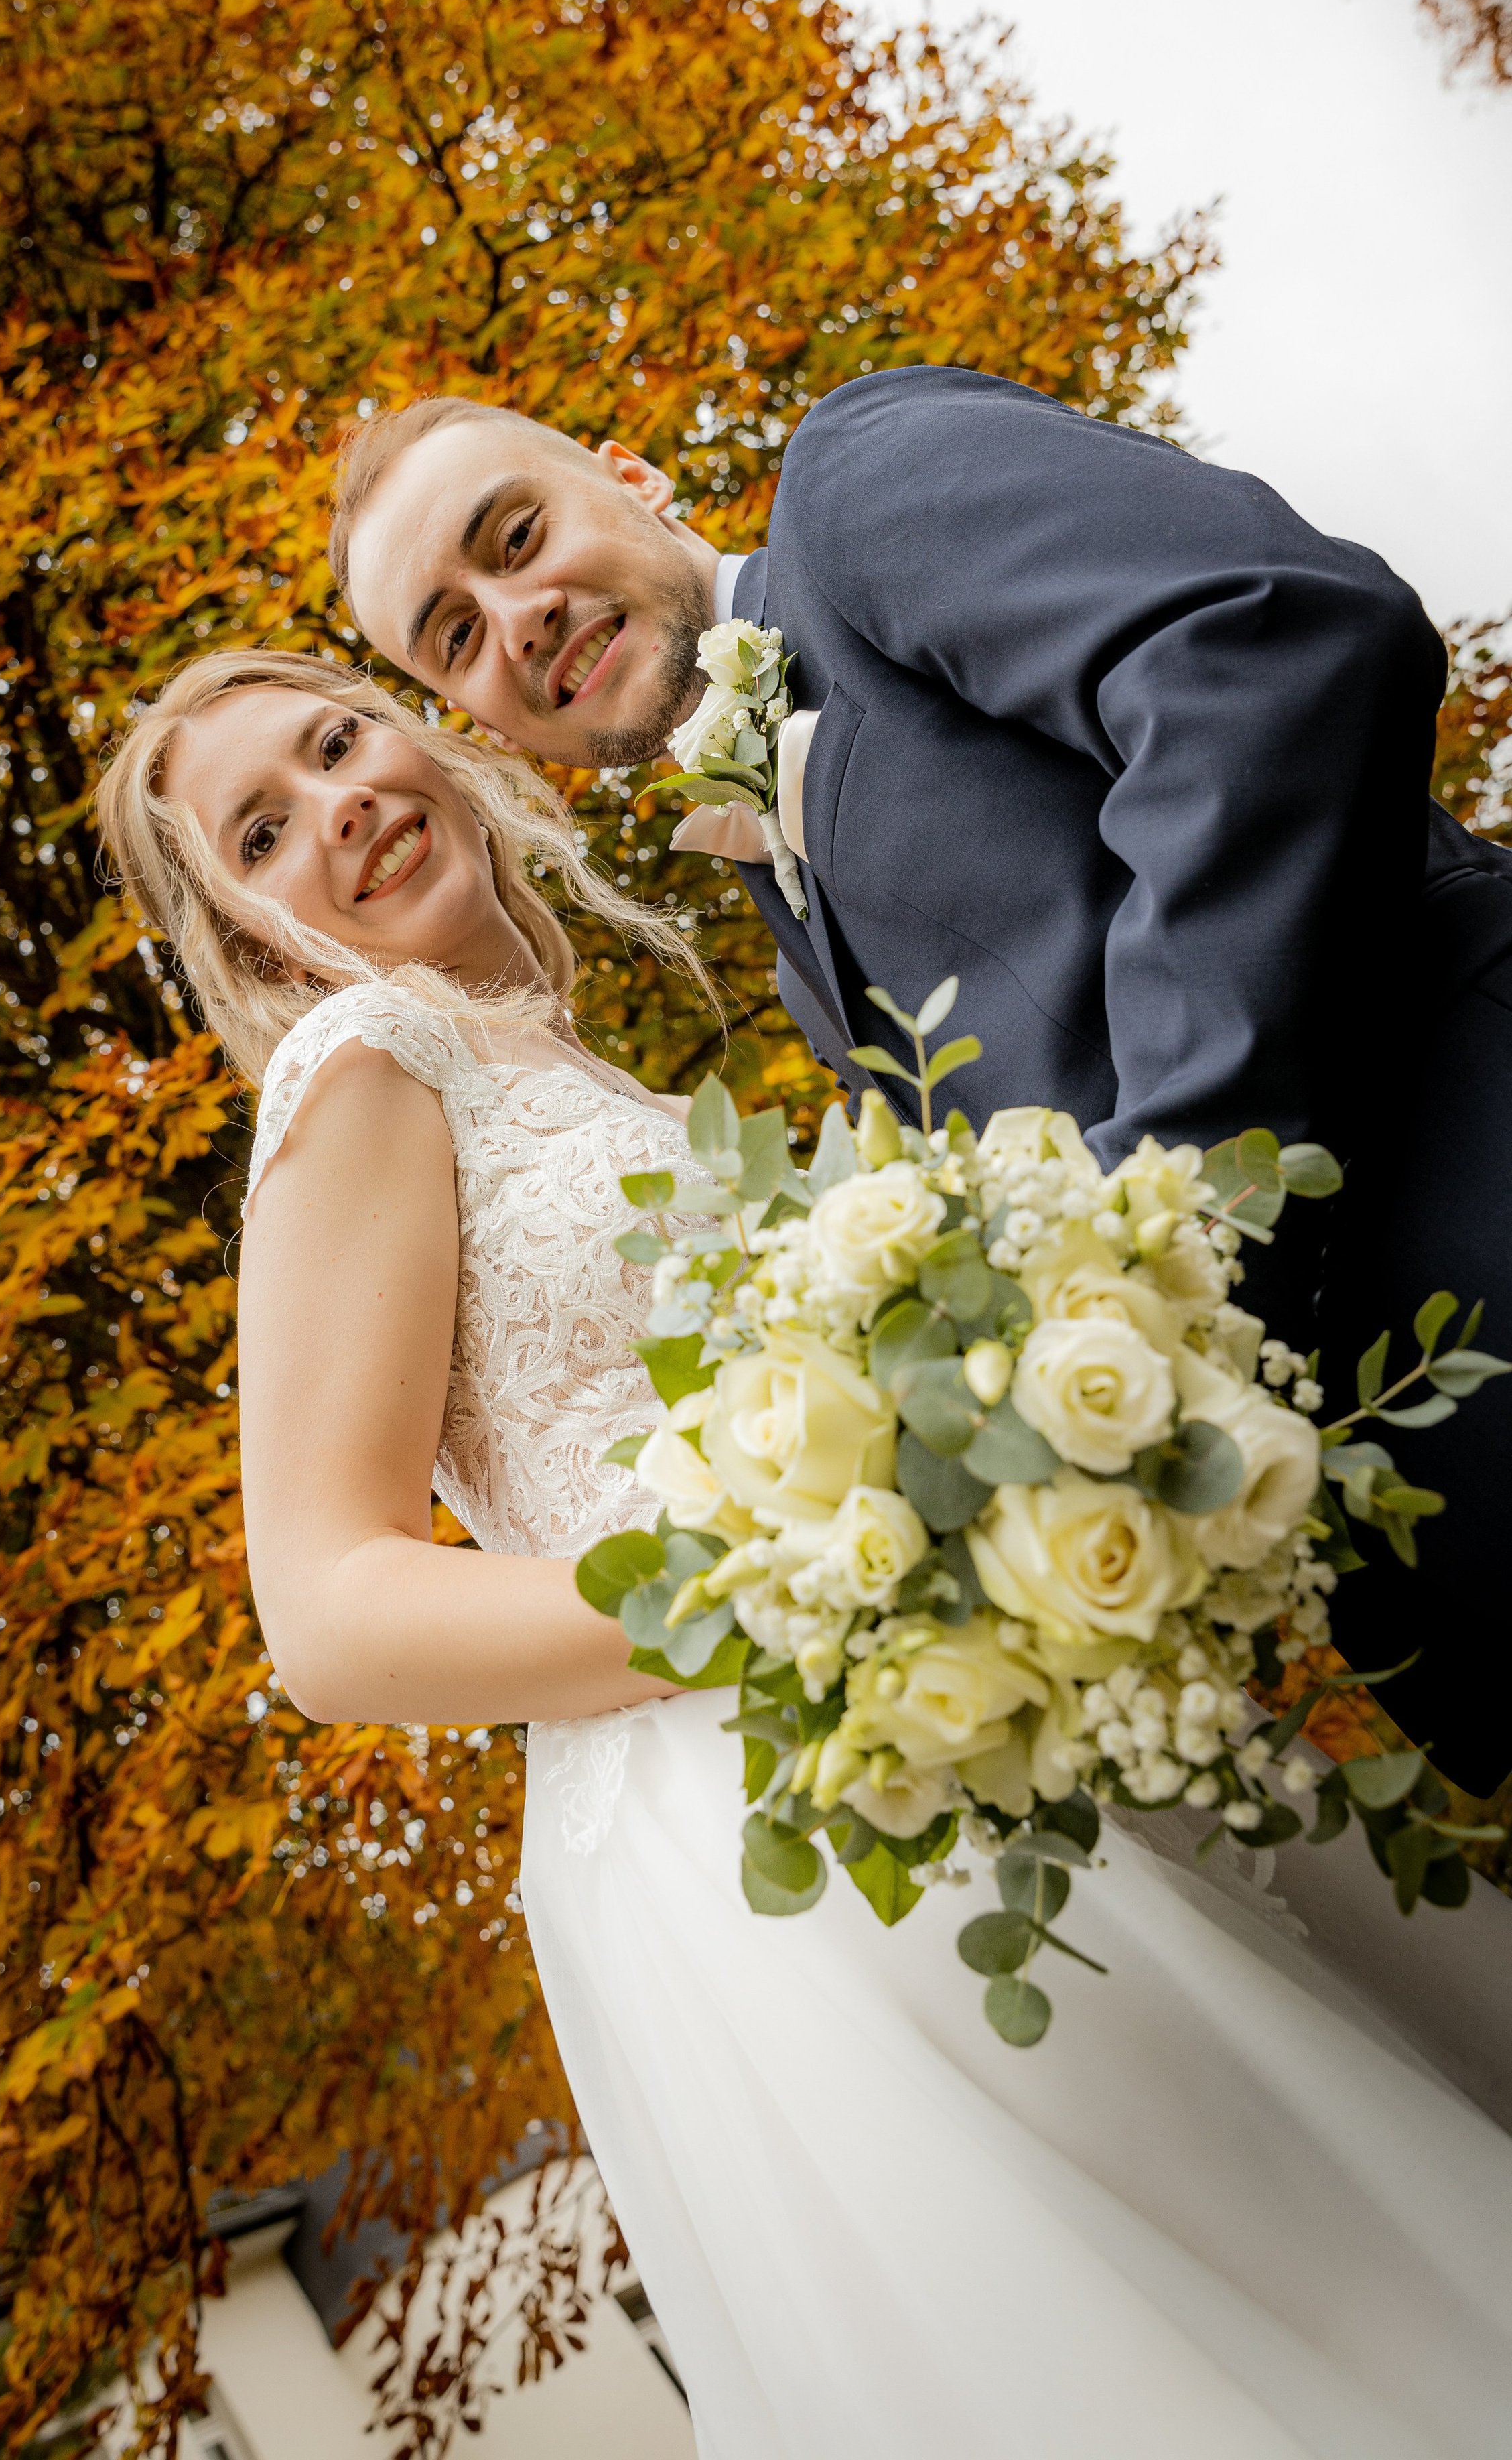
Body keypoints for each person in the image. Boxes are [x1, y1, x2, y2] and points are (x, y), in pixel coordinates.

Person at [96, 647, 1512, 2460]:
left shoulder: (540, 1054)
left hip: (930, 1692)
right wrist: (776, 1593)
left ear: (420, 743)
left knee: (1321, 2225)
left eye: (336, 738)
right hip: (772, 1792)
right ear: (258, 935)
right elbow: (330, 1612)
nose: (339, 802)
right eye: (265, 830)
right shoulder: (368, 1057)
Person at [330, 369, 1512, 1799]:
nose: (514, 621)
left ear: (633, 477)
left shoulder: (852, 486)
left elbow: (1264, 646)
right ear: (474, 713)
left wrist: (1171, 1242)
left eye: (512, 539)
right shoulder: (792, 946)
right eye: (453, 635)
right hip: (1419, 1522)